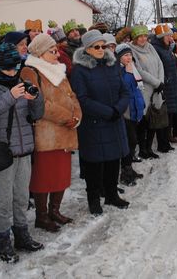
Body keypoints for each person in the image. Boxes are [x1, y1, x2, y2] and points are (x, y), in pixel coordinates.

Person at [0, 42, 45, 263]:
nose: (14, 72)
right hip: (3, 152)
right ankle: (3, 243)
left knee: (22, 197)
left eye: (16, 67)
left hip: (24, 150)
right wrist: (11, 97)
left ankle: (22, 235)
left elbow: (36, 114)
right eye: (9, 68)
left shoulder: (20, 82)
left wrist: (36, 99)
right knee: (4, 200)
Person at [20, 34, 81, 232]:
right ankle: (42, 216)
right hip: (46, 133)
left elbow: (72, 96)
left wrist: (77, 116)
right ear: (39, 53)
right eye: (52, 51)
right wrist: (65, 116)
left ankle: (55, 210)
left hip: (66, 131)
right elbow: (38, 102)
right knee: (43, 177)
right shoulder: (30, 71)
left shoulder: (59, 71)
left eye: (56, 51)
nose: (57, 55)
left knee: (61, 175)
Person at [70, 30, 130, 215]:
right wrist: (107, 112)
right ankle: (94, 199)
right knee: (94, 164)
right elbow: (82, 99)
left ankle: (111, 194)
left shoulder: (112, 65)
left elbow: (124, 91)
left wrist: (118, 109)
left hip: (114, 120)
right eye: (97, 46)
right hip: (94, 123)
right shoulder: (80, 70)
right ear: (87, 48)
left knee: (113, 160)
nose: (101, 49)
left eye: (103, 46)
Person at [129, 25, 165, 159]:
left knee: (154, 118)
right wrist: (156, 82)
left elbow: (160, 64)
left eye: (145, 36)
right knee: (143, 120)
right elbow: (139, 70)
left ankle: (149, 147)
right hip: (144, 88)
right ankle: (142, 149)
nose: (143, 39)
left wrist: (160, 82)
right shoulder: (132, 50)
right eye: (140, 37)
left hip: (157, 88)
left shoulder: (151, 47)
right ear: (135, 38)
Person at [115, 43, 145, 186]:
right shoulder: (119, 71)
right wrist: (127, 72)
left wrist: (141, 105)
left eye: (130, 55)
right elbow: (124, 87)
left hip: (135, 109)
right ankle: (125, 172)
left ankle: (129, 169)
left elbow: (138, 89)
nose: (128, 58)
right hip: (126, 111)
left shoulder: (133, 69)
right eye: (125, 55)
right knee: (129, 141)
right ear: (119, 57)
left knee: (133, 141)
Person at [150, 24, 177, 152]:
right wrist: (165, 80)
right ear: (162, 37)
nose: (170, 38)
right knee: (163, 116)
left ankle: (167, 139)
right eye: (168, 36)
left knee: (169, 114)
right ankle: (163, 143)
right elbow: (158, 68)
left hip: (171, 85)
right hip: (164, 86)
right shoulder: (157, 49)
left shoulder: (166, 48)